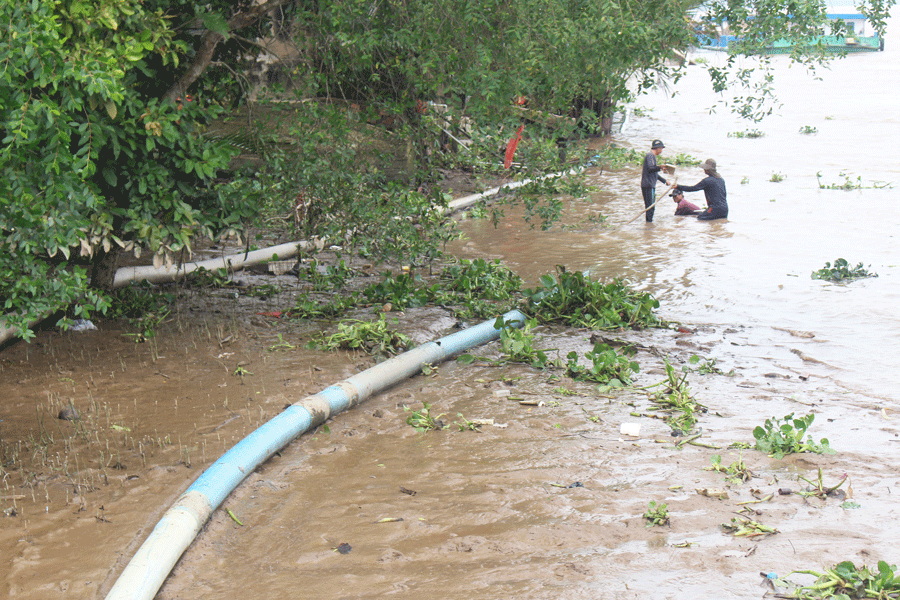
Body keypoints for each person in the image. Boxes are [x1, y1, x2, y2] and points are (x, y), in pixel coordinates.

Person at [640, 140, 669, 223]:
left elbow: (654, 173)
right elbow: (650, 168)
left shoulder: (651, 156)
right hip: (648, 185)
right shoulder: (650, 155)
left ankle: (649, 223)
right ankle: (649, 224)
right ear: (658, 148)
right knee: (650, 207)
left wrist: (664, 181)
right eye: (661, 148)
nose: (661, 151)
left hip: (649, 185)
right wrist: (660, 167)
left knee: (651, 206)